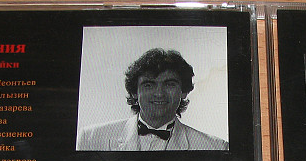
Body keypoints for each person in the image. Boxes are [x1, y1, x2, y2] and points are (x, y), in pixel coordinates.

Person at [77, 48, 228, 151]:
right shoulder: (91, 139)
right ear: (134, 92)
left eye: (169, 84)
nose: (159, 94)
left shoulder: (216, 147)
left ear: (184, 92)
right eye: (149, 85)